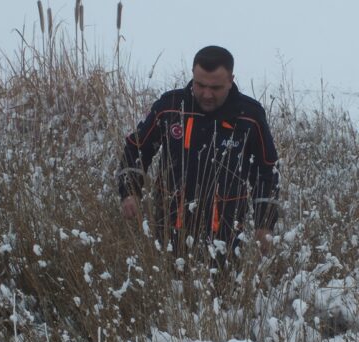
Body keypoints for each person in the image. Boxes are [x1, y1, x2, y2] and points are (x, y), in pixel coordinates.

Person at [118, 45, 279, 267]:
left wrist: (265, 225)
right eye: (200, 85)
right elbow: (136, 148)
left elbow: (266, 171)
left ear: (231, 80)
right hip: (168, 229)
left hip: (226, 236)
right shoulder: (171, 107)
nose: (206, 94)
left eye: (215, 87)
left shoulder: (249, 116)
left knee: (220, 296)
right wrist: (130, 192)